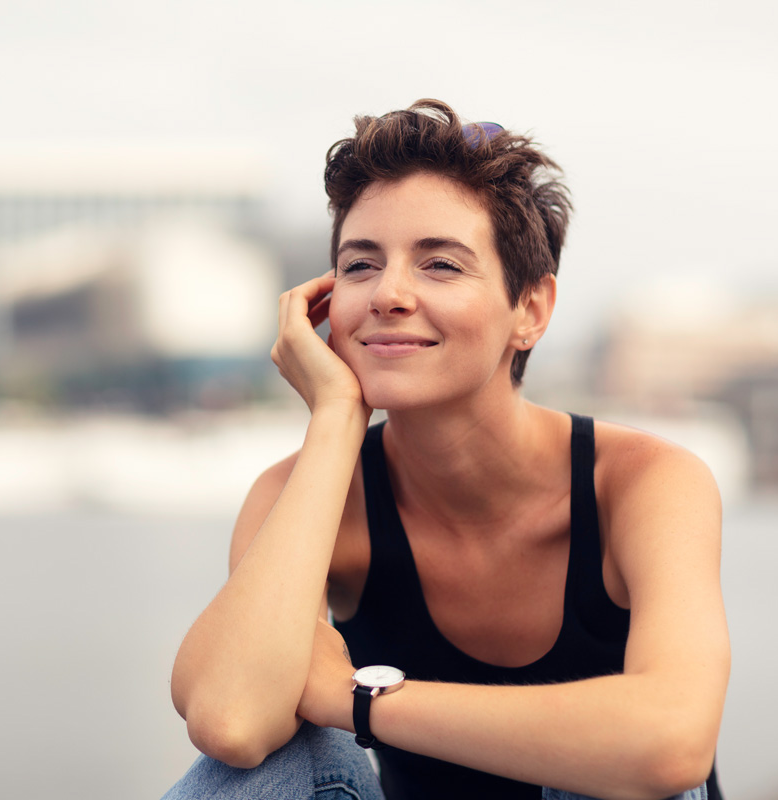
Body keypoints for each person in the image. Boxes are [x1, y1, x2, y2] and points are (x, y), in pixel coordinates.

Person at [164, 99, 729, 799]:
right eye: (360, 265)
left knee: (618, 758)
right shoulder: (306, 496)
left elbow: (672, 746)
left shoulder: (643, 483)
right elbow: (231, 720)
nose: (389, 293)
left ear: (531, 310)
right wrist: (337, 419)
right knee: (273, 756)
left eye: (439, 265)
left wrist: (357, 701)